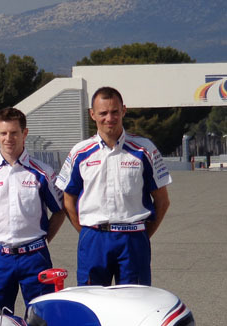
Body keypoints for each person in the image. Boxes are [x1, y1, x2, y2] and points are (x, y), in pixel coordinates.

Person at [56, 86, 171, 286]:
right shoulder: (79, 152)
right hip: (94, 239)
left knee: (135, 304)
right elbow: (68, 200)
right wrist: (86, 231)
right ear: (92, 115)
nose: (109, 118)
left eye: (115, 112)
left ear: (123, 111)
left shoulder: (145, 149)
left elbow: (162, 201)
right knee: (92, 303)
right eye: (103, 113)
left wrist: (142, 233)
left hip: (133, 239)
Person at [0, 107, 65, 311]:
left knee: (42, 316)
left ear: (25, 133)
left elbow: (59, 210)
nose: (8, 138)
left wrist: (44, 238)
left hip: (35, 257)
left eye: (14, 133)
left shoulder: (43, 173)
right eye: (3, 133)